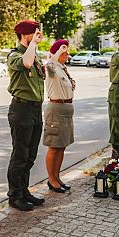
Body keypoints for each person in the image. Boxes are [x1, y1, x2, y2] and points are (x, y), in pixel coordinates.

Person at [6, 20, 45, 211]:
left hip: (35, 109)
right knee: (20, 155)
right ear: (24, 35)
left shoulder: (33, 54)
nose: (39, 36)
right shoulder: (15, 55)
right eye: (35, 33)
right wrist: (33, 44)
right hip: (21, 109)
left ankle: (24, 190)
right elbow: (26, 62)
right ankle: (15, 196)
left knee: (30, 155)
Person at [43, 39, 75, 193]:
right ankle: (51, 179)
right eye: (65, 52)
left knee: (62, 146)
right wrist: (56, 53)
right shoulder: (52, 67)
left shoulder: (62, 68)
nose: (67, 55)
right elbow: (48, 65)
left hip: (66, 109)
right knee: (54, 147)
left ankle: (57, 177)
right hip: (56, 109)